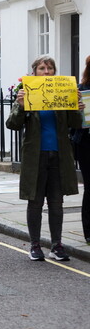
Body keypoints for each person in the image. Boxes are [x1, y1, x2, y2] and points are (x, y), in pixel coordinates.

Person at [6, 56, 83, 261]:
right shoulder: (26, 93)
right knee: (35, 202)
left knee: (56, 203)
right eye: (42, 68)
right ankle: (35, 245)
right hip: (35, 157)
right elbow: (12, 124)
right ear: (34, 72)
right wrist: (21, 105)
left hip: (59, 156)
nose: (46, 71)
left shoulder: (62, 93)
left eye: (50, 68)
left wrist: (76, 107)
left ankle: (57, 245)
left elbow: (76, 123)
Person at [73, 55, 90, 244]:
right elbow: (72, 123)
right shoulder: (80, 91)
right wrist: (77, 109)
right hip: (86, 143)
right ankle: (88, 231)